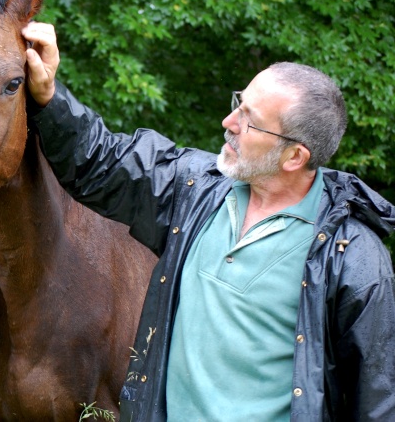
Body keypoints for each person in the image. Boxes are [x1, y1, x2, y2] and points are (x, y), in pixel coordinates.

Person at [21, 22, 395, 421]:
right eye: (239, 102)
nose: (228, 122)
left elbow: (377, 403)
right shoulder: (195, 190)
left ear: (294, 157)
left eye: (249, 119)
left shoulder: (354, 261)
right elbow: (101, 162)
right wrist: (49, 95)